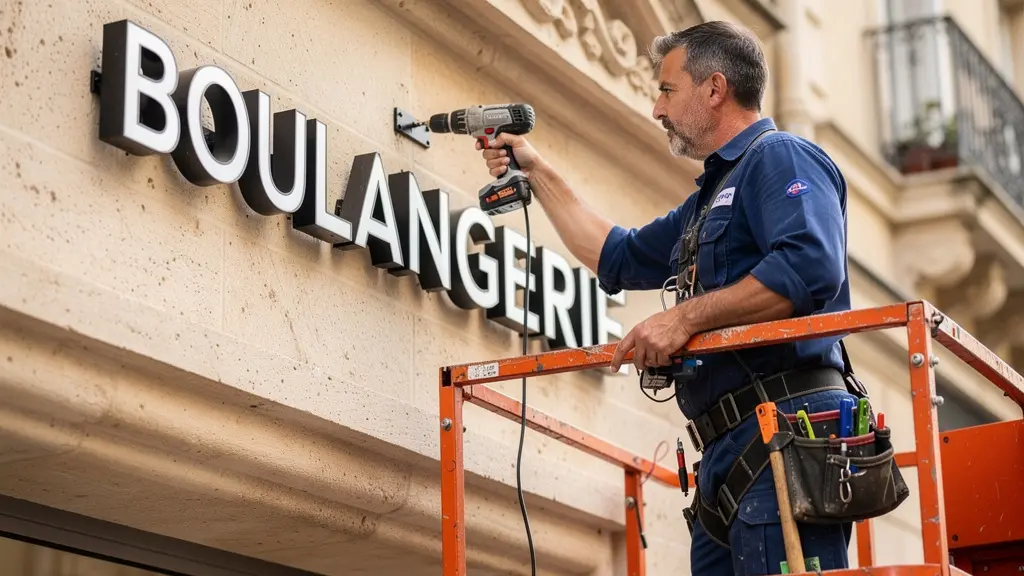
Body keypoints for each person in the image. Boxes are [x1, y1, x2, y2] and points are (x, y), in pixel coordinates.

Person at [476, 20, 859, 576]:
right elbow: (617, 256)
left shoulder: (782, 158)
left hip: (787, 430)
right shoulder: (708, 198)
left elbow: (809, 264)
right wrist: (536, 172)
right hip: (732, 451)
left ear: (715, 88)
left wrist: (683, 318)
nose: (657, 109)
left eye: (666, 90)